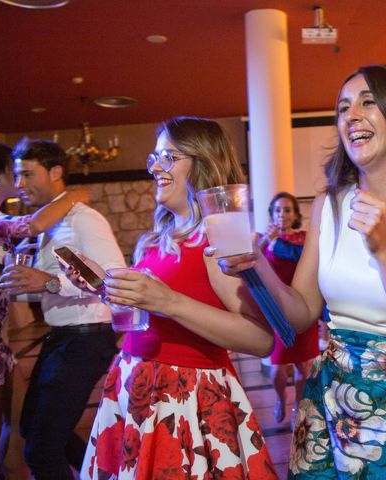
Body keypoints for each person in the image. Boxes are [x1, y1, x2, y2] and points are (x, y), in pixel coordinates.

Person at [218, 65, 386, 478]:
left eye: (368, 102)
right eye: (343, 108)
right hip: (333, 401)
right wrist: (257, 268)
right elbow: (302, 312)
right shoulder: (331, 204)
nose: (351, 115)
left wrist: (384, 250)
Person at [79, 117, 276, 479]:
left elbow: (262, 339)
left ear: (202, 162)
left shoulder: (220, 241)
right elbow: (149, 312)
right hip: (135, 382)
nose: (155, 167)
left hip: (186, 399)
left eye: (168, 156)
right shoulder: (156, 240)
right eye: (154, 158)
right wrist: (107, 285)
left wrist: (169, 302)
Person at [0, 139, 125, 480]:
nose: (19, 185)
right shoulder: (46, 223)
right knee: (32, 428)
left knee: (41, 450)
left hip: (86, 339)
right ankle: (100, 473)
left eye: (27, 175)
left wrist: (49, 284)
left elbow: (112, 277)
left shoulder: (84, 219)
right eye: (16, 176)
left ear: (55, 172)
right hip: (62, 338)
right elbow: (47, 284)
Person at [0, 141, 87, 479]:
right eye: (15, 173)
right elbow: (30, 226)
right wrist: (74, 196)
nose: (19, 182)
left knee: (21, 424)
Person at [259, 192, 319, 424]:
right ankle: (279, 398)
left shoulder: (304, 238)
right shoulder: (263, 239)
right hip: (277, 312)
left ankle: (298, 404)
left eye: (286, 210)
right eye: (277, 210)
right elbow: (254, 265)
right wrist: (266, 240)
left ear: (294, 214)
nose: (281, 214)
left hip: (303, 307)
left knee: (303, 366)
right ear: (271, 214)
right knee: (277, 368)